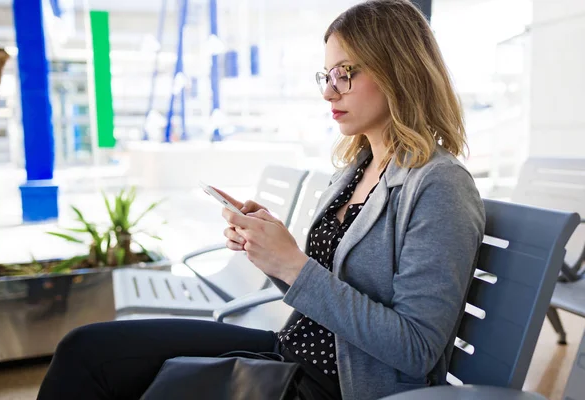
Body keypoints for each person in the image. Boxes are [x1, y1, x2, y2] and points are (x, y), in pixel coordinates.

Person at [37, 1, 485, 399]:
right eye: (326, 75)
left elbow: (416, 349)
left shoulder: (439, 186)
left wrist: (293, 264)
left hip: (334, 383)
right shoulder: (357, 169)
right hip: (289, 350)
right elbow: (323, 288)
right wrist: (271, 253)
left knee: (107, 371)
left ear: (398, 70)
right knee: (86, 349)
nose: (329, 91)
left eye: (345, 74)